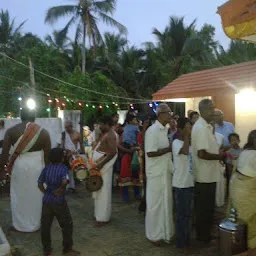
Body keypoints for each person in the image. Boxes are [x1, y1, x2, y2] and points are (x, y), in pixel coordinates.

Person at [0, 108, 51, 232]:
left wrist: (1, 170)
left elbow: (4, 155)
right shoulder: (43, 132)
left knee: (19, 194)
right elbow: (48, 158)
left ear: (21, 116)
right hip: (37, 166)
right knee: (36, 194)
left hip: (20, 166)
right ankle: (36, 223)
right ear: (34, 117)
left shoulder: (11, 131)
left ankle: (19, 224)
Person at [191, 99, 225, 243]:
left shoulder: (206, 126)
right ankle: (203, 237)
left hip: (209, 174)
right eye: (211, 109)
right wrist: (219, 156)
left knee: (208, 208)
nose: (213, 111)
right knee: (204, 210)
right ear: (202, 110)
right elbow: (202, 154)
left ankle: (205, 235)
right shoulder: (200, 128)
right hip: (204, 176)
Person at [38, 148, 80, 256]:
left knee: (45, 226)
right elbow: (65, 180)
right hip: (59, 201)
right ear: (61, 158)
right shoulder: (63, 168)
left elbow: (39, 183)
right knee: (67, 224)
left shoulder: (46, 169)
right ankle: (67, 249)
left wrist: (46, 192)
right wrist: (61, 189)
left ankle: (47, 250)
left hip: (47, 201)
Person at [145, 103, 174, 246]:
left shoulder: (164, 130)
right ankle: (154, 235)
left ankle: (165, 233)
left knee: (165, 203)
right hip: (156, 173)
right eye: (169, 113)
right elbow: (150, 153)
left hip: (164, 172)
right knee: (155, 205)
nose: (170, 115)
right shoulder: (153, 130)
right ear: (161, 114)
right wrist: (168, 150)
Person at [230, 130, 256, 251]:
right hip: (248, 194)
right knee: (252, 226)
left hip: (237, 190)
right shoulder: (254, 156)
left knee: (242, 223)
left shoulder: (244, 152)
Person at [172, 118, 194, 250]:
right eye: (187, 127)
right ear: (180, 129)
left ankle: (186, 239)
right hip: (181, 184)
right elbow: (185, 151)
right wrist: (186, 136)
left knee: (188, 215)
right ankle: (180, 243)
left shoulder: (190, 143)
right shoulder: (176, 142)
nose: (189, 129)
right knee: (181, 215)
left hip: (190, 182)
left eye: (190, 127)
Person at [92, 115, 118, 226]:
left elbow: (113, 152)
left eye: (101, 124)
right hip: (100, 165)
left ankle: (102, 218)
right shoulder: (107, 134)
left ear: (107, 124)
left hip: (103, 167)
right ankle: (100, 215)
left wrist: (101, 164)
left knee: (103, 191)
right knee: (100, 190)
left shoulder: (111, 135)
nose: (99, 126)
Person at [119, 113, 140, 201]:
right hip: (129, 153)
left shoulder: (124, 129)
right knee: (131, 174)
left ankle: (129, 195)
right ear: (130, 121)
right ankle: (133, 194)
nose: (136, 121)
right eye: (134, 120)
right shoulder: (135, 128)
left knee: (130, 174)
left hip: (130, 153)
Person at [58, 121, 85, 192]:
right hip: (65, 155)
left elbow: (81, 144)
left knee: (73, 171)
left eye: (68, 127)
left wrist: (83, 154)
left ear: (71, 126)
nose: (66, 129)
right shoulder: (63, 134)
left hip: (75, 155)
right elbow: (60, 145)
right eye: (65, 127)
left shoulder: (77, 134)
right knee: (65, 170)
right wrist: (66, 151)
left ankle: (72, 186)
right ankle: (66, 186)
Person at [225, 133, 242, 197]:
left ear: (239, 140)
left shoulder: (243, 150)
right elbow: (228, 164)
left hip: (241, 172)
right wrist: (230, 175)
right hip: (233, 172)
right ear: (229, 142)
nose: (234, 142)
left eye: (236, 140)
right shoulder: (229, 152)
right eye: (232, 140)